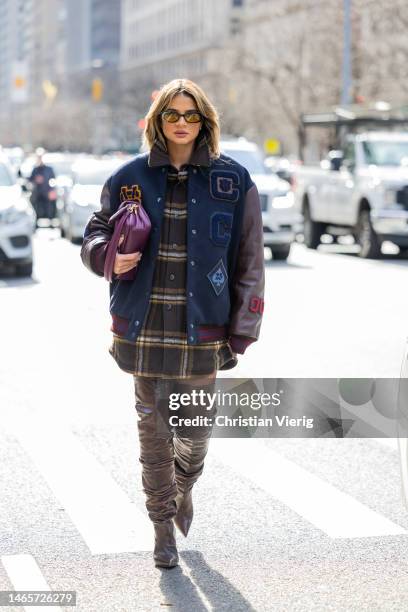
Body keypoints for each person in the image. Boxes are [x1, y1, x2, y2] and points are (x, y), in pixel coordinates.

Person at [80, 78, 265, 568]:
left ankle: (184, 487)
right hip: (143, 323)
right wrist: (105, 256)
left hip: (204, 326)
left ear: (205, 122)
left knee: (195, 430)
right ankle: (161, 526)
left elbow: (249, 258)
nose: (181, 124)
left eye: (191, 116)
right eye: (172, 115)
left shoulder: (234, 180)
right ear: (157, 120)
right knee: (152, 430)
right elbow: (95, 232)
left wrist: (244, 324)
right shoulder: (129, 176)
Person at [29, 150, 56, 223]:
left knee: (49, 208)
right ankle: (36, 221)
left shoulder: (49, 169)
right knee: (36, 207)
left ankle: (50, 221)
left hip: (47, 192)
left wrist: (52, 189)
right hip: (37, 193)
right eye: (38, 158)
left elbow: (53, 179)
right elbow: (30, 180)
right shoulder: (35, 169)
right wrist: (36, 180)